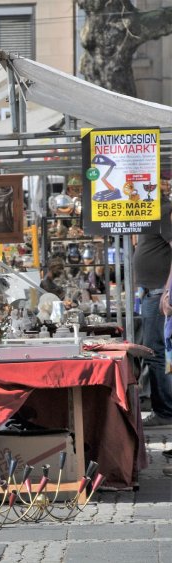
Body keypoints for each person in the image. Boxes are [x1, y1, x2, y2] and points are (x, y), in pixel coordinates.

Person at [138, 171, 172, 427]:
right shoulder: (149, 214)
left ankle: (165, 411)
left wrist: (168, 289)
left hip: (161, 292)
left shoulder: (163, 211)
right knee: (155, 350)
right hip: (153, 291)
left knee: (155, 351)